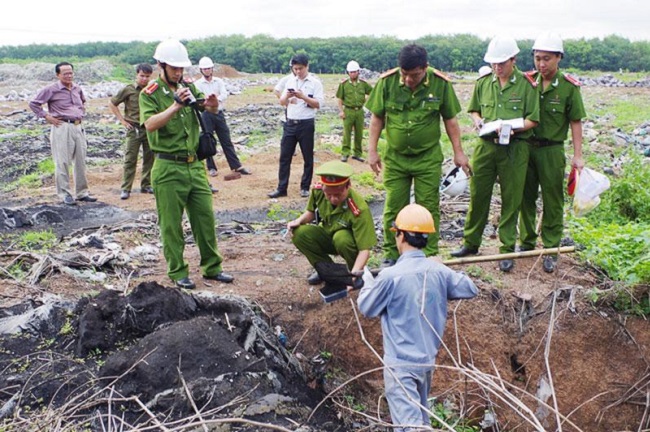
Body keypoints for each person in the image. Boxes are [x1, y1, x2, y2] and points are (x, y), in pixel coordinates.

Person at [357, 203, 477, 431]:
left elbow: (368, 308)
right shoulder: (439, 272)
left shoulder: (390, 276)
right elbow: (470, 288)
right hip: (426, 363)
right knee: (421, 422)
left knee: (410, 427)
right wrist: (443, 268)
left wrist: (368, 283)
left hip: (401, 365)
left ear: (401, 236)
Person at [139, 39, 234, 289]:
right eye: (174, 68)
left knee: (205, 219)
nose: (179, 73)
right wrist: (175, 105)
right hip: (168, 167)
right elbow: (150, 124)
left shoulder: (188, 86)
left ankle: (212, 267)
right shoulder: (150, 92)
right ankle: (178, 271)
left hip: (195, 165)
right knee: (171, 224)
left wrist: (211, 105)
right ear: (161, 65)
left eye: (182, 68)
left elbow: (207, 107)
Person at [365, 44, 470, 268]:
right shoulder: (387, 82)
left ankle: (429, 253)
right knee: (394, 206)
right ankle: (392, 253)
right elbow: (377, 118)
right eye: (404, 74)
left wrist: (458, 152)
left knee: (428, 206)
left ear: (425, 68)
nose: (408, 80)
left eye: (414, 75)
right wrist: (372, 150)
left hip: (427, 158)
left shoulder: (441, 84)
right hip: (396, 159)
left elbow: (450, 120)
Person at [450, 36, 540, 273]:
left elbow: (533, 119)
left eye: (501, 63)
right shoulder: (483, 83)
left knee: (512, 199)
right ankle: (471, 242)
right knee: (479, 194)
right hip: (486, 147)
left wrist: (511, 126)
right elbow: (474, 110)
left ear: (513, 60)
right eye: (493, 64)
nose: (497, 68)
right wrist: (479, 122)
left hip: (514, 147)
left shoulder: (526, 85)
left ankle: (507, 247)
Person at [518, 33, 586, 273]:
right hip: (525, 147)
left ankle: (550, 247)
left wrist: (578, 155)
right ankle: (526, 242)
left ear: (559, 58)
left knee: (553, 199)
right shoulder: (526, 82)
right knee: (524, 197)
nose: (541, 64)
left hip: (552, 150)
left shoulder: (568, 87)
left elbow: (576, 121)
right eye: (537, 58)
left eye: (547, 59)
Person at [287, 160, 377, 284]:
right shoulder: (318, 190)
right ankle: (328, 271)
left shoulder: (359, 208)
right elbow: (311, 212)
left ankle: (353, 273)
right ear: (323, 187)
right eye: (328, 195)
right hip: (327, 234)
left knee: (342, 238)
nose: (333, 199)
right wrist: (298, 221)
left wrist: (354, 275)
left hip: (347, 244)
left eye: (338, 194)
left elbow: (364, 250)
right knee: (299, 233)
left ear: (348, 186)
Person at [29, 62, 97, 206]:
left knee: (80, 160)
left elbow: (82, 102)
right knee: (62, 161)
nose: (69, 76)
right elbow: (34, 104)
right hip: (62, 126)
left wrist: (80, 113)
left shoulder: (77, 88)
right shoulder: (51, 89)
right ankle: (64, 194)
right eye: (65, 73)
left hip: (78, 127)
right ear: (58, 75)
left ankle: (82, 193)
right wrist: (47, 116)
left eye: (71, 72)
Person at [268, 54, 324, 199]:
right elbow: (281, 101)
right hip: (290, 123)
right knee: (285, 157)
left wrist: (303, 96)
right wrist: (287, 96)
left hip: (306, 123)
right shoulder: (289, 81)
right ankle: (281, 188)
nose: (298, 72)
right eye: (295, 69)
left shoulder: (315, 83)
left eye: (300, 68)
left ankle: (305, 187)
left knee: (307, 157)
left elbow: (318, 104)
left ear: (307, 67)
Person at [194, 56, 251, 179]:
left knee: (226, 140)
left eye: (209, 68)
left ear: (212, 69)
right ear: (201, 70)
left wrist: (215, 100)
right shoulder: (197, 84)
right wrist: (210, 100)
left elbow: (224, 94)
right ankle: (211, 167)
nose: (207, 71)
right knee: (207, 140)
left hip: (218, 113)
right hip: (206, 115)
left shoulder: (218, 81)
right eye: (205, 69)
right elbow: (201, 99)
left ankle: (236, 166)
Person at [108, 63, 154, 200]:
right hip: (133, 128)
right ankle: (126, 188)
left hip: (149, 128)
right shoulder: (128, 90)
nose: (144, 79)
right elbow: (112, 103)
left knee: (150, 158)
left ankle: (146, 185)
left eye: (147, 76)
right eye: (142, 76)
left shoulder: (151, 90)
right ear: (136, 75)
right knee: (130, 159)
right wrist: (122, 121)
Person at [336, 60, 373, 162]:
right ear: (348, 73)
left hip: (359, 111)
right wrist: (341, 111)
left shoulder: (363, 84)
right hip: (348, 110)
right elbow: (339, 98)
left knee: (359, 133)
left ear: (358, 72)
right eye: (351, 72)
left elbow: (372, 93)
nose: (353, 74)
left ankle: (357, 153)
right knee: (347, 133)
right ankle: (345, 153)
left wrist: (365, 101)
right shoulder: (344, 84)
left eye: (355, 72)